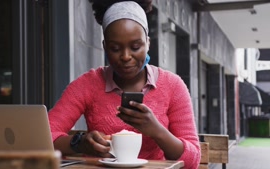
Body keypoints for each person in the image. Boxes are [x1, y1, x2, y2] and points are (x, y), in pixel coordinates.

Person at [48, 0, 200, 168]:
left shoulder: (173, 86)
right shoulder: (87, 84)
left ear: (148, 43)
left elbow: (193, 160)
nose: (126, 56)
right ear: (105, 46)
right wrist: (79, 143)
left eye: (135, 47)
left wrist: (157, 131)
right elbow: (43, 138)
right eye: (115, 48)